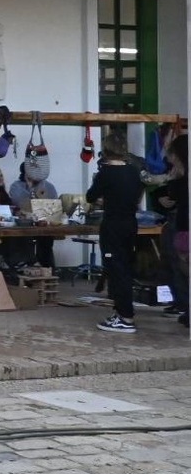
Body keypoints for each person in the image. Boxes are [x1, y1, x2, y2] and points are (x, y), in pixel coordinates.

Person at [88, 133, 144, 333]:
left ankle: (126, 317)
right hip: (130, 224)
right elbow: (134, 196)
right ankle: (121, 313)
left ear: (106, 150)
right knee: (126, 267)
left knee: (116, 269)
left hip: (113, 226)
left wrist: (104, 199)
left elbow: (90, 196)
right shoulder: (134, 171)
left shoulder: (106, 172)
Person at [155, 135, 188, 324]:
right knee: (177, 266)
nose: (169, 158)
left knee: (182, 268)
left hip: (183, 227)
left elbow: (176, 193)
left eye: (172, 154)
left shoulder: (182, 178)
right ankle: (182, 304)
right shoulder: (178, 174)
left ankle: (185, 305)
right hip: (179, 225)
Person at [8, 162, 58, 268]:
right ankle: (27, 266)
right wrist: (31, 189)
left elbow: (54, 207)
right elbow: (22, 205)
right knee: (23, 238)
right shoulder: (16, 186)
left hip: (44, 224)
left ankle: (47, 269)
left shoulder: (49, 186)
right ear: (25, 173)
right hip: (24, 225)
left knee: (46, 239)